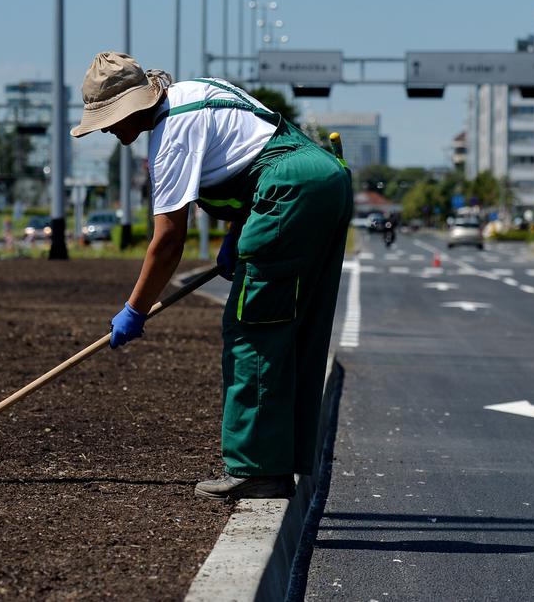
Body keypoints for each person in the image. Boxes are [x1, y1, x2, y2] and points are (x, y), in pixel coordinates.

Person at [69, 52, 352, 500]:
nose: (105, 128)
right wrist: (240, 232)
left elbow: (167, 242)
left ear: (133, 106)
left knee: (251, 330)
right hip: (324, 180)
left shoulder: (170, 137)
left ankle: (257, 469)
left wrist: (134, 310)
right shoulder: (197, 91)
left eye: (107, 119)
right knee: (294, 328)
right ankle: (284, 459)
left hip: (288, 193)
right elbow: (258, 149)